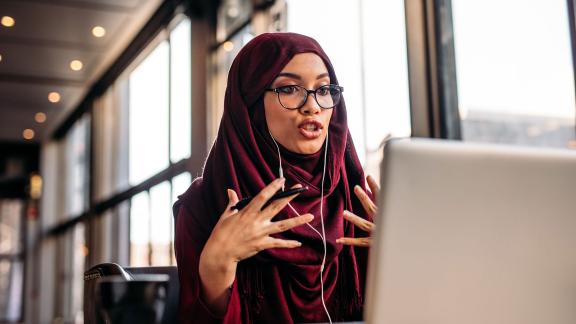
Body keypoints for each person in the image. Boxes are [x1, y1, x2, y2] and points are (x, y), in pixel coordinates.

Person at [173, 32, 378, 324]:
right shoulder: (205, 204)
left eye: (323, 89)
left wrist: (400, 257)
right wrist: (217, 266)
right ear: (250, 104)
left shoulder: (355, 200)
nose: (313, 106)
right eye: (290, 88)